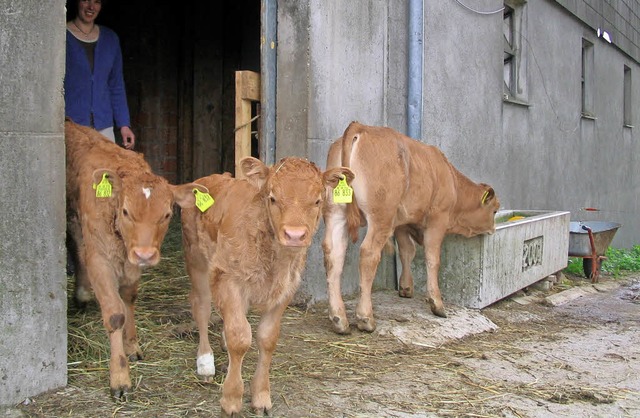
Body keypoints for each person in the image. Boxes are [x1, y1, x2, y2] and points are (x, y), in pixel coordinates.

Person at [64, 0, 135, 149]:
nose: (91, 7)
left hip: (104, 125)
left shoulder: (110, 39)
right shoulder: (61, 36)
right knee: (78, 171)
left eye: (96, 2)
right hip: (71, 126)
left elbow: (116, 85)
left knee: (105, 172)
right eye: (86, 0)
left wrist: (124, 124)